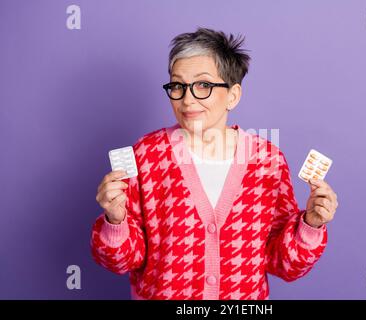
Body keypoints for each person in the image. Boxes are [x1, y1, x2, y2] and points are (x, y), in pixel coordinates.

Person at [91, 27, 339, 300]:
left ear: (233, 95)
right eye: (177, 85)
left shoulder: (267, 161)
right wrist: (115, 221)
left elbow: (283, 264)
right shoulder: (147, 155)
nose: (187, 99)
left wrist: (310, 225)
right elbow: (121, 262)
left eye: (203, 85)